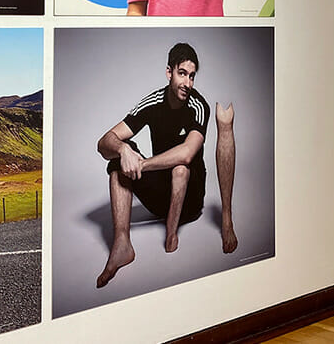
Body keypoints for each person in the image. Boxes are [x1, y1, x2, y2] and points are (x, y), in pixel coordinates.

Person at [95, 43, 237, 288]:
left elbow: (187, 152)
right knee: (120, 158)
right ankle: (122, 244)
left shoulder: (198, 105)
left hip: (190, 200)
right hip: (161, 197)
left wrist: (142, 164)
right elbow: (104, 142)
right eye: (182, 73)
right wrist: (124, 150)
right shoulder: (153, 102)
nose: (188, 83)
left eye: (192, 76)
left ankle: (173, 235)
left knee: (180, 168)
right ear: (169, 72)